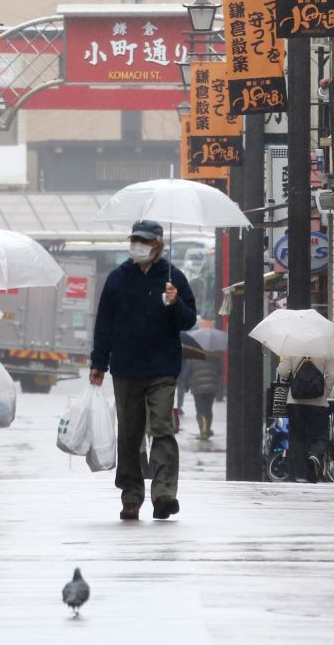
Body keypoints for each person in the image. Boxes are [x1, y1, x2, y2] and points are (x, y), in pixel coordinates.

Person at [90, 220, 197, 521]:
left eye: (145, 241)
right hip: (126, 369)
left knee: (162, 428)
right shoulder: (117, 279)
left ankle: (164, 493)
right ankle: (131, 495)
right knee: (130, 434)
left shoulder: (173, 278)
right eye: (135, 239)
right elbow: (104, 325)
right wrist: (99, 362)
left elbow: (188, 321)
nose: (138, 245)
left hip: (163, 369)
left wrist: (175, 303)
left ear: (158, 246)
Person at [279, 355, 334, 483]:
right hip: (318, 403)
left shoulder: (293, 347)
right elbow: (332, 374)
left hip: (295, 401)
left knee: (297, 437)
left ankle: (301, 474)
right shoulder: (325, 348)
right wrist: (323, 393)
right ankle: (315, 455)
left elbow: (282, 371)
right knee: (319, 435)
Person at [180, 356, 220, 440]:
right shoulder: (214, 357)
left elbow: (187, 373)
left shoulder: (193, 358)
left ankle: (203, 431)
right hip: (211, 388)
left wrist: (185, 386)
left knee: (200, 409)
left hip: (198, 388)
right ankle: (207, 429)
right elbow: (219, 371)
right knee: (208, 409)